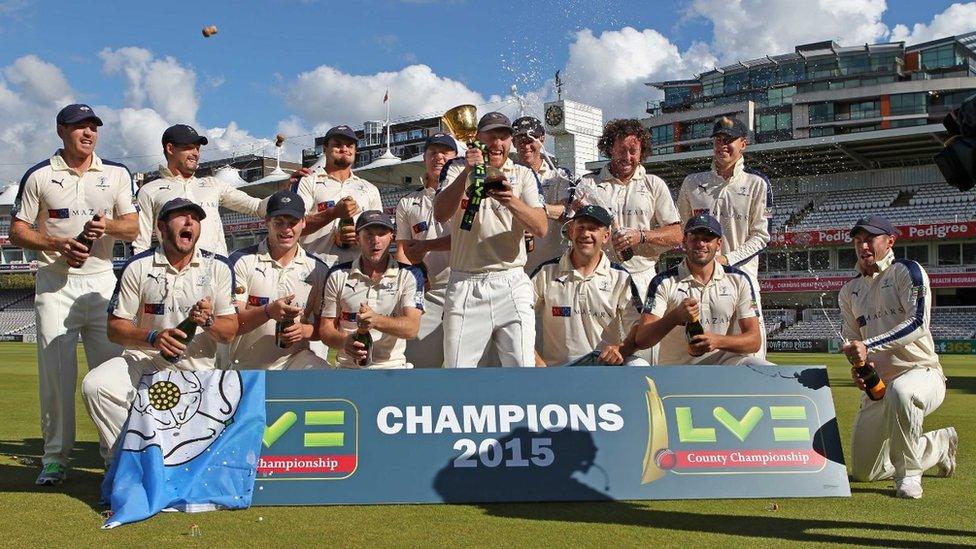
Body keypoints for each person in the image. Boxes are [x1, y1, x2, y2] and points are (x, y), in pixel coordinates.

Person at [9, 104, 138, 485]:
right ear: (60, 130)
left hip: (102, 284)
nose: (88, 133)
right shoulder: (39, 175)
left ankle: (114, 456)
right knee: (57, 377)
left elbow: (132, 227)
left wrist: (107, 225)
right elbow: (18, 231)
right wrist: (55, 242)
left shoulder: (115, 173)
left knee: (112, 375)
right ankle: (54, 459)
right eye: (80, 127)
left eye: (93, 127)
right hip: (55, 284)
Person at [81, 198, 238, 466]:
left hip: (197, 370)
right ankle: (128, 465)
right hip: (145, 361)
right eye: (181, 217)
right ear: (161, 227)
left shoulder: (219, 268)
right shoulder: (138, 266)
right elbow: (115, 328)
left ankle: (154, 461)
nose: (190, 222)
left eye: (195, 218)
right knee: (96, 386)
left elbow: (230, 332)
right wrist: (153, 337)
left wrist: (208, 321)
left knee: (196, 457)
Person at [839, 215, 957, 499]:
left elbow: (918, 324)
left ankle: (909, 476)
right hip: (878, 387)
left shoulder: (907, 271)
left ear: (890, 241)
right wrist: (859, 367)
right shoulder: (848, 291)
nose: (863, 245)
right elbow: (853, 342)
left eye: (870, 238)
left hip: (922, 373)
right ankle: (938, 445)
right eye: (858, 240)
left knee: (903, 392)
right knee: (866, 473)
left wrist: (867, 345)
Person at [432, 112, 548, 367]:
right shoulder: (455, 168)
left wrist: (509, 199)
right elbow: (440, 214)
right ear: (477, 138)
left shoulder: (524, 174)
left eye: (504, 136)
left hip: (511, 281)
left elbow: (541, 228)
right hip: (466, 281)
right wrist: (468, 174)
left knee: (522, 367)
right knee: (459, 371)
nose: (498, 143)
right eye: (491, 136)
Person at [677, 116, 772, 360]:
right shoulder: (693, 183)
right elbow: (682, 231)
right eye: (718, 140)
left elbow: (761, 236)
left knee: (752, 357)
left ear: (744, 144)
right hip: (698, 280)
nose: (723, 146)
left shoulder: (757, 184)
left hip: (742, 280)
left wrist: (726, 260)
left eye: (729, 140)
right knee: (693, 354)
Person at [621, 214, 765, 366]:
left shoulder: (739, 279)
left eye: (708, 239)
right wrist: (675, 316)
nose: (701, 243)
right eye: (694, 238)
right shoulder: (664, 282)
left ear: (718, 244)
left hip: (724, 370)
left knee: (761, 367)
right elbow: (642, 339)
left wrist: (716, 341)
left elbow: (754, 340)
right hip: (677, 372)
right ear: (684, 241)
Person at [571, 119, 682, 305]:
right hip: (597, 276)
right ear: (610, 149)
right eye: (621, 150)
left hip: (643, 277)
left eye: (633, 151)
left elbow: (677, 234)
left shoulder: (653, 184)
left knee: (642, 334)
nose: (627, 157)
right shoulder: (588, 185)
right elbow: (570, 234)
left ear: (642, 152)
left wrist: (641, 236)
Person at [530, 205, 645, 367]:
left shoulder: (620, 277)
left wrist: (622, 349)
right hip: (558, 373)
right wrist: (536, 361)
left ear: (606, 236)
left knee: (638, 365)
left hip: (604, 370)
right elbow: (518, 319)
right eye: (580, 228)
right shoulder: (546, 272)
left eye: (593, 229)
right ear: (571, 232)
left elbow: (637, 326)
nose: (585, 234)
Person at [227, 190, 330, 370]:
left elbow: (326, 328)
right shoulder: (241, 261)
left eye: (293, 223)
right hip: (246, 365)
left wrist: (304, 330)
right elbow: (232, 324)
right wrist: (268, 311)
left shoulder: (318, 269)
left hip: (294, 361)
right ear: (267, 222)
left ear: (304, 222)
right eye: (279, 222)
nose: (286, 229)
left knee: (323, 373)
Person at [134, 124, 268, 255]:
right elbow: (140, 244)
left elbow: (257, 207)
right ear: (170, 148)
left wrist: (287, 192)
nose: (196, 153)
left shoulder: (213, 184)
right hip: (174, 273)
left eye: (197, 149)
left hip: (215, 272)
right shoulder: (149, 190)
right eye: (189, 148)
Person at [319, 211, 424, 369]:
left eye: (382, 234)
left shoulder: (409, 275)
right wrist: (344, 342)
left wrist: (376, 320)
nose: (375, 241)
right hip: (348, 368)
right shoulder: (337, 274)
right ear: (357, 238)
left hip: (392, 367)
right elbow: (325, 329)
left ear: (392, 237)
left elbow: (411, 328)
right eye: (368, 234)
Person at [395, 133, 457, 368]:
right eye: (433, 152)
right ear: (424, 158)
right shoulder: (408, 202)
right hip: (428, 293)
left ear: (456, 158)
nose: (439, 157)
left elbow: (468, 241)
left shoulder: (469, 193)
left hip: (463, 288)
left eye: (445, 152)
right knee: (418, 365)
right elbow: (402, 251)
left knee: (465, 367)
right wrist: (413, 284)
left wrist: (426, 246)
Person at [290, 125, 382, 265]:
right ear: (325, 149)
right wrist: (333, 213)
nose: (344, 149)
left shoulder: (370, 188)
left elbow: (379, 233)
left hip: (356, 271)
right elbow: (295, 226)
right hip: (313, 268)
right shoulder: (309, 181)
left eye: (350, 146)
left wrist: (357, 236)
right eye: (337, 145)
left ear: (355, 151)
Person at [511, 116, 574, 274]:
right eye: (520, 140)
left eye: (531, 139)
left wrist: (530, 211)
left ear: (542, 139)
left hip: (553, 266)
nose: (526, 145)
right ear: (513, 143)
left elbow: (565, 212)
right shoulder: (507, 175)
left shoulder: (559, 175)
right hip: (515, 268)